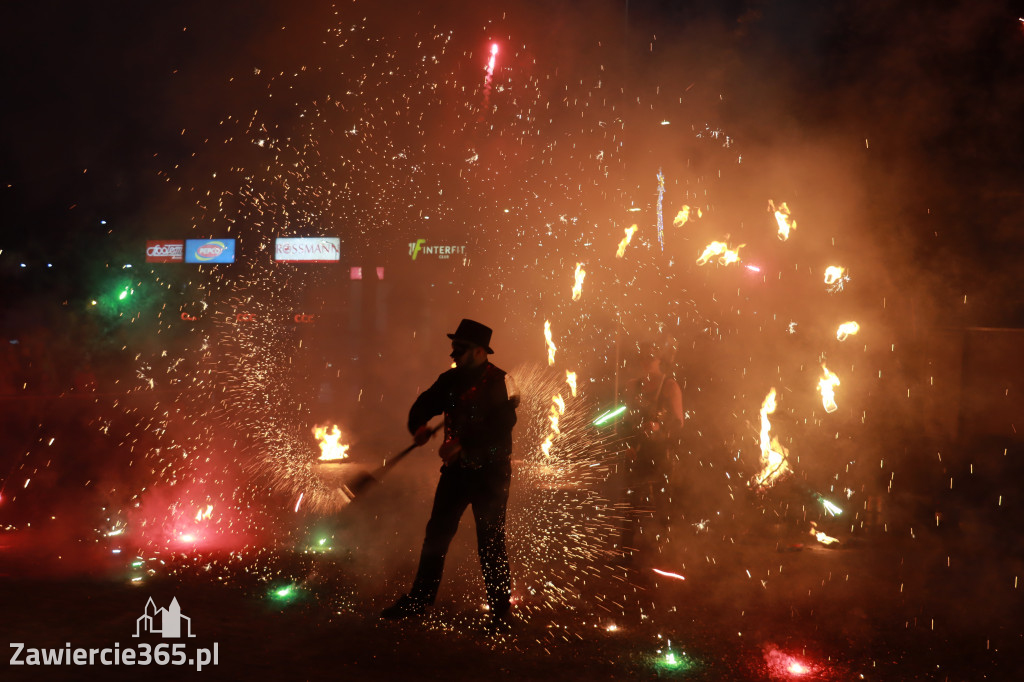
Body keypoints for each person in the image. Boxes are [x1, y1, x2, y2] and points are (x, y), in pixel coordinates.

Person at [381, 319, 520, 622]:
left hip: (491, 474)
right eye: (454, 346)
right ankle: (419, 601)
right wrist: (418, 426)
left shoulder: (502, 381)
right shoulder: (450, 380)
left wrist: (463, 443)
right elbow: (424, 404)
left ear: (480, 351)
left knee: (490, 542)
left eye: (461, 348)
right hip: (457, 473)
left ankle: (500, 612)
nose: (454, 353)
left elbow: (502, 425)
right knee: (437, 536)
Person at [620, 341, 684, 564]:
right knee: (631, 502)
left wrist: (659, 428)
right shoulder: (633, 385)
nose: (647, 362)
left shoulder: (669, 386)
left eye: (651, 357)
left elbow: (678, 423)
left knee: (662, 503)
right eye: (643, 358)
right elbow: (627, 420)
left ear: (659, 360)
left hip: (660, 454)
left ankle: (666, 553)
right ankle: (626, 551)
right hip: (637, 452)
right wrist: (627, 444)